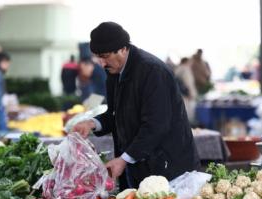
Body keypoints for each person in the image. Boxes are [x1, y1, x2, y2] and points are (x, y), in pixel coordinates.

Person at [72, 22, 200, 189]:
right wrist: (92, 123)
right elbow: (115, 114)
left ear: (123, 49)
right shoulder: (113, 71)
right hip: (140, 167)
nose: (102, 63)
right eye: (98, 57)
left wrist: (125, 159)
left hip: (168, 167)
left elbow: (156, 125)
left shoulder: (153, 72)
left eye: (105, 56)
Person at [174, 57, 197, 122]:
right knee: (187, 115)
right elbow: (188, 82)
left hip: (180, 94)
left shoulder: (177, 69)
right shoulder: (185, 69)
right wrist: (190, 93)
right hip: (186, 95)